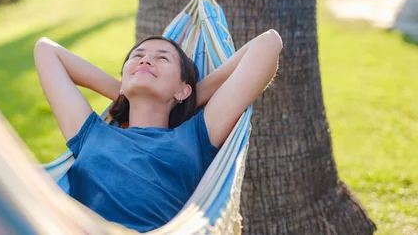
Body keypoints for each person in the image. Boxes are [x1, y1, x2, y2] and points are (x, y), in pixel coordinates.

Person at [34, 29, 282, 232]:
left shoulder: (195, 136)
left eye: (162, 58)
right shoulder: (91, 133)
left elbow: (268, 44)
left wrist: (192, 98)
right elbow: (46, 50)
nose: (145, 60)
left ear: (183, 89)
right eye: (137, 57)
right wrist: (124, 91)